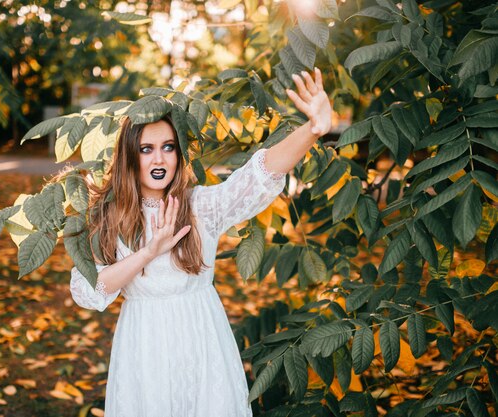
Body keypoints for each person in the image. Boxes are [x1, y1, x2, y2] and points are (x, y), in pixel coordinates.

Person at [69, 68, 332, 416]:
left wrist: (312, 130)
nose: (159, 159)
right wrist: (149, 251)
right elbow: (89, 291)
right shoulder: (110, 217)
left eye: (168, 148)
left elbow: (259, 174)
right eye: (146, 149)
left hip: (202, 335)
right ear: (131, 156)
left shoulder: (199, 206)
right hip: (145, 344)